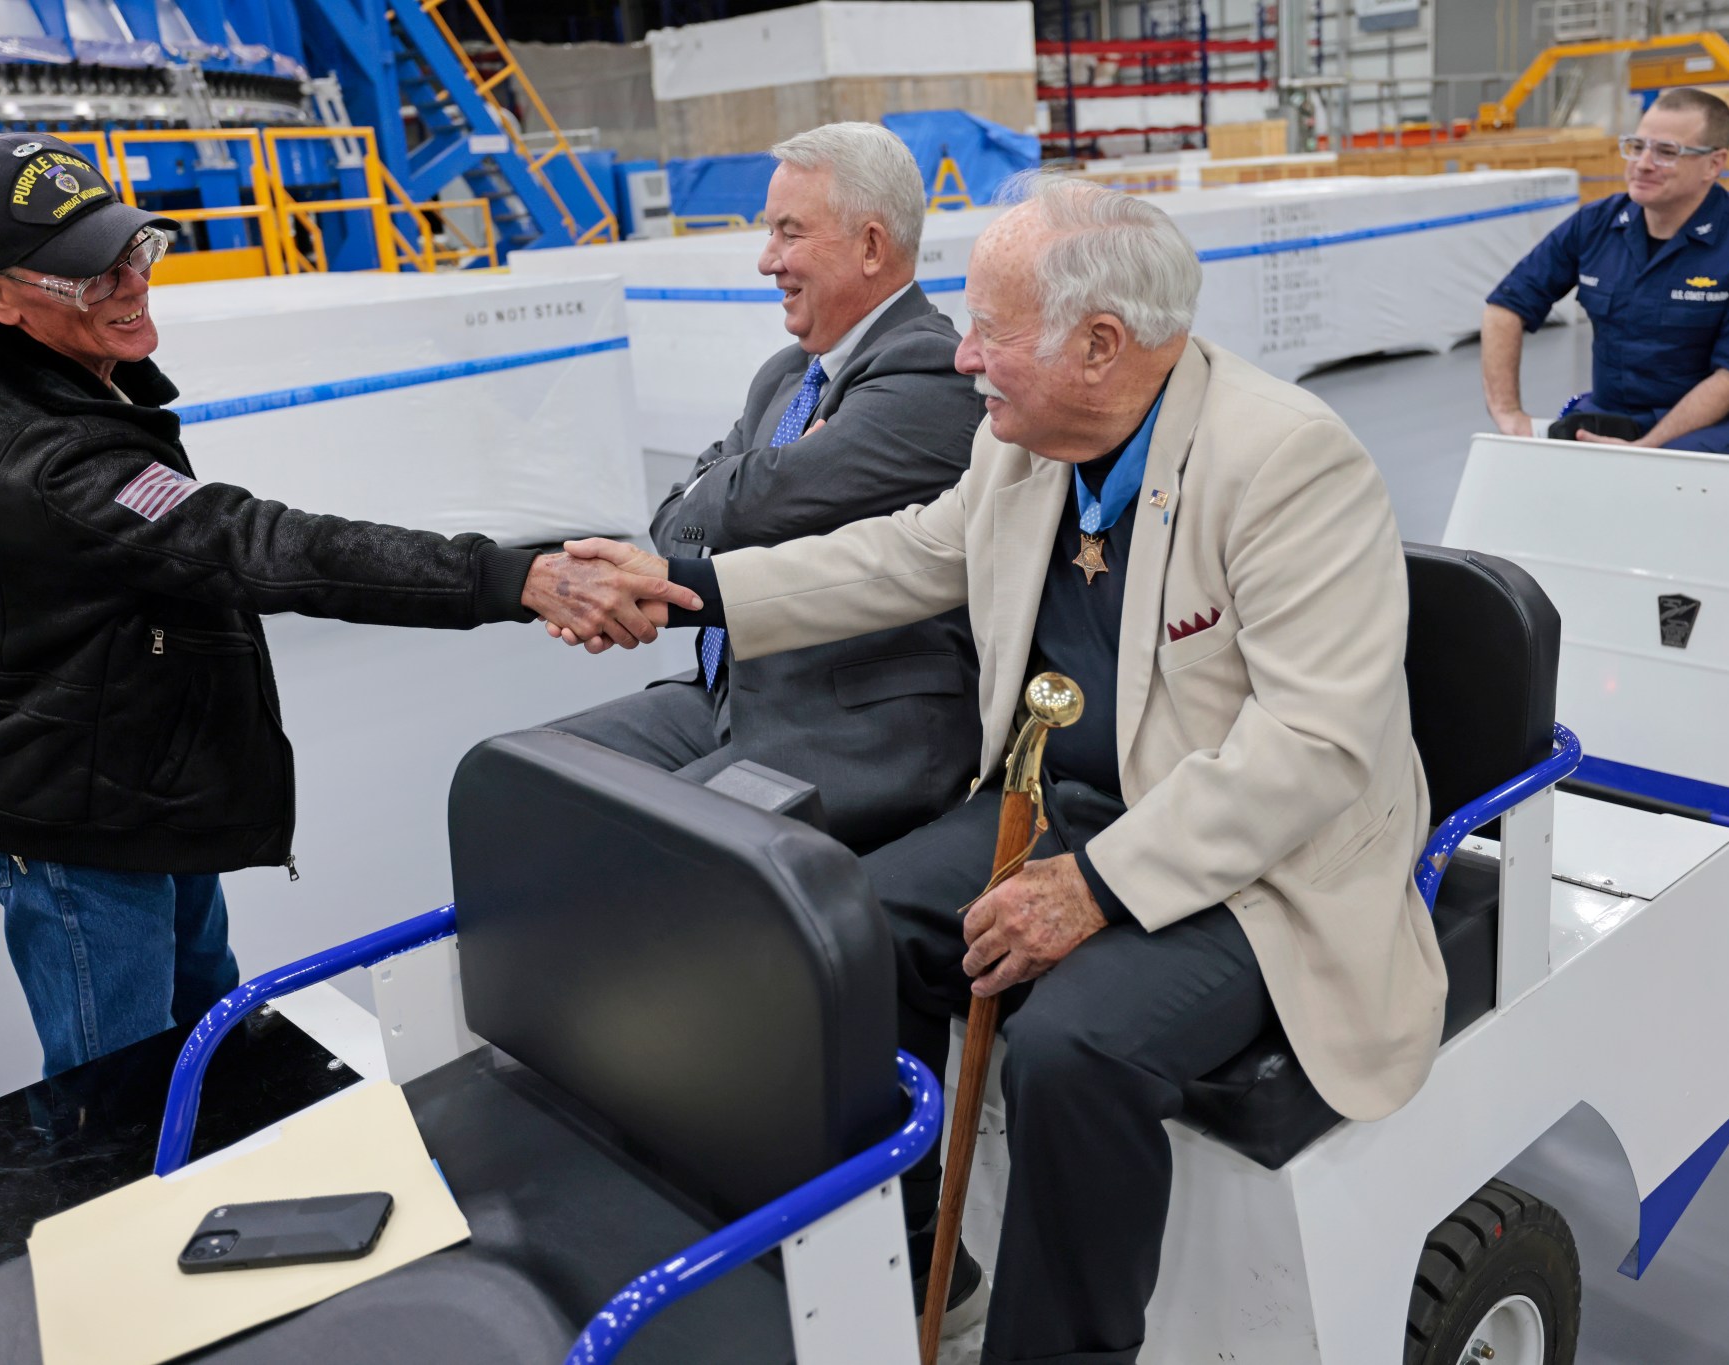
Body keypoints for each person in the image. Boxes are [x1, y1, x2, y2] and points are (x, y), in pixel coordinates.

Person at [554, 175, 1443, 1364]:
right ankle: (930, 1257)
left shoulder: (1284, 462)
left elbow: (1311, 748)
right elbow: (906, 556)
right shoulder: (1024, 442)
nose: (961, 355)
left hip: (1254, 863)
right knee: (848, 936)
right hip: (1056, 806)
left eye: (990, 330)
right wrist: (691, 590)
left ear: (1098, 344)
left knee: (1077, 1049)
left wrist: (1092, 889)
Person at [0, 133, 693, 1077]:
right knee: (116, 1103)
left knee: (209, 1048)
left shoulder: (25, 374)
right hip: (81, 834)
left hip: (141, 780)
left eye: (132, 249)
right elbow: (267, 547)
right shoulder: (56, 465)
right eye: (88, 276)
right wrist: (521, 578)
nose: (131, 283)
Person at [543, 123, 983, 852]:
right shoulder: (787, 374)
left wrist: (734, 483)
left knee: (643, 850)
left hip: (856, 725)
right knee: (534, 774)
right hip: (735, 694)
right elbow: (678, 523)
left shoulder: (930, 375)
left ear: (872, 246)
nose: (765, 260)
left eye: (788, 232)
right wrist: (744, 482)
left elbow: (747, 501)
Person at [1482, 87, 1729, 456]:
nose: (1643, 163)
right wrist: (1508, 414)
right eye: (1636, 146)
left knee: (1665, 477)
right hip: (1614, 413)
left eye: (1666, 152)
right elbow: (1505, 307)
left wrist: (1646, 449)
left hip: (1724, 424)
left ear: (1714, 163)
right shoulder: (1594, 226)